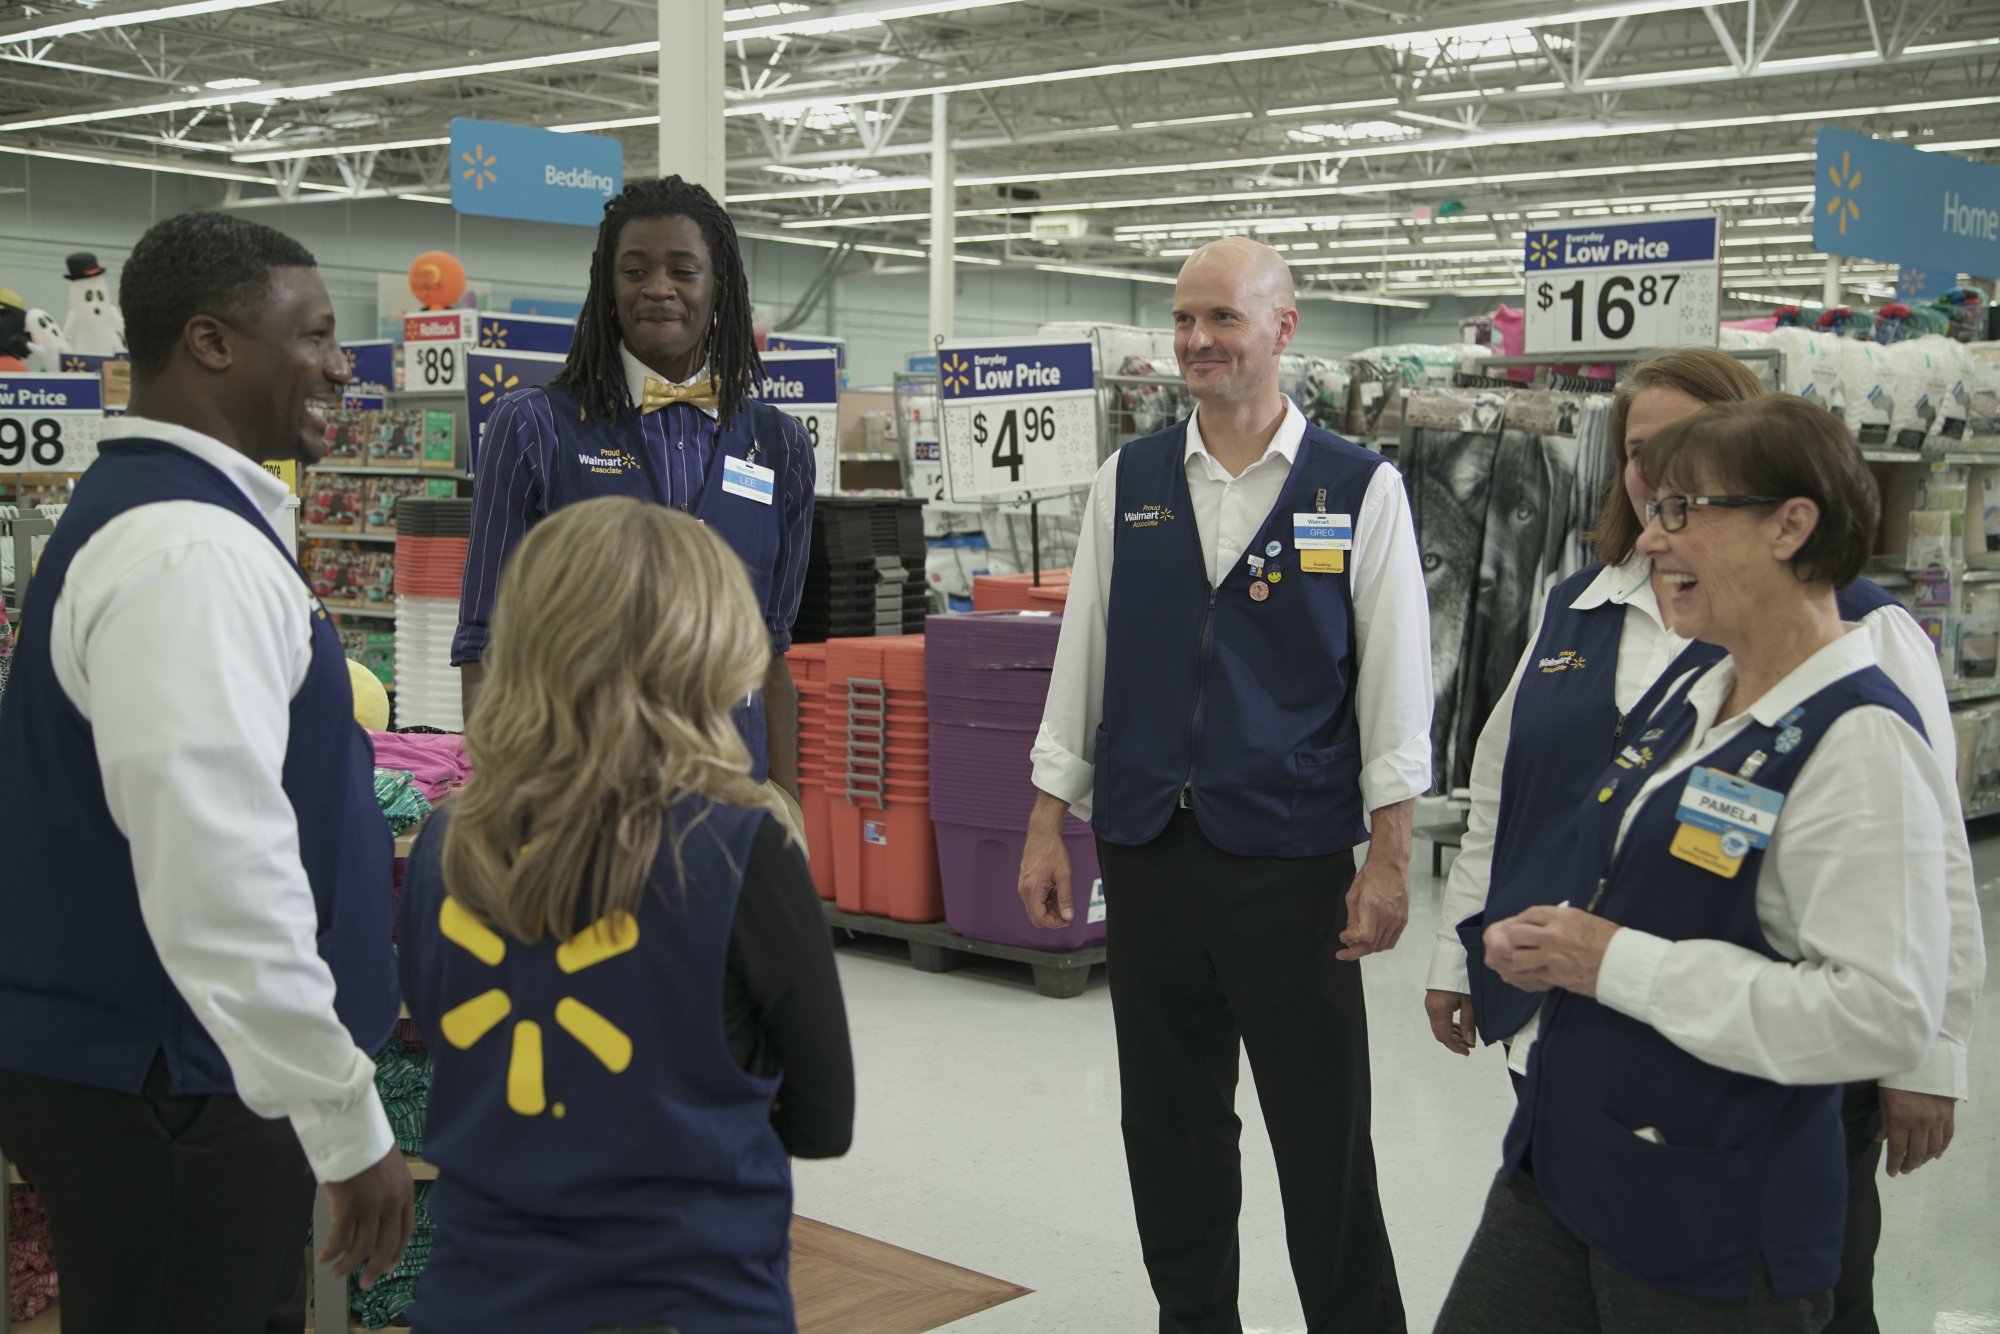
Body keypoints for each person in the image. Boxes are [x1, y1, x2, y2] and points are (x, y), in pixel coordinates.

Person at [1422, 348, 1983, 1333]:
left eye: (1684, 509)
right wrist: (1542, 935)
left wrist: (1614, 962)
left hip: (1712, 1206)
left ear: (1787, 524)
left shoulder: (1857, 736)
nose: (1652, 531)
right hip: (1568, 1152)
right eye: (1650, 499)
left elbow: (1879, 1009)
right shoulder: (1697, 690)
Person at [0, 212, 411, 1333]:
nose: (342, 365)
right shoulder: (191, 554)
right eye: (317, 335)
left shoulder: (174, 524)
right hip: (176, 1081)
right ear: (212, 343)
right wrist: (347, 1123)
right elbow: (217, 868)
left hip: (173, 1072)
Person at [1018, 236, 1431, 1334]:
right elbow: (1083, 660)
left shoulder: (1358, 487)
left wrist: (1388, 856)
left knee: (1320, 1134)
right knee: (1167, 1129)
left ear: (1282, 329)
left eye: (1223, 320)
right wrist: (1046, 819)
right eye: (1184, 319)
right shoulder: (1131, 481)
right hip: (1149, 850)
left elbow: (1394, 684)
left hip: (1289, 862)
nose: (1197, 341)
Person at [403, 497, 853, 1334]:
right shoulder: (737, 851)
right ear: (704, 647)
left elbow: (449, 1043)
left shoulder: (440, 848)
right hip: (686, 1298)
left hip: (478, 1295)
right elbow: (824, 1119)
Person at [454, 175, 814, 802]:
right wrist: (500, 805)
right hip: (577, 802)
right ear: (607, 285)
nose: (657, 288)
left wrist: (787, 812)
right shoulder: (535, 427)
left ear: (717, 283)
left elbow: (772, 654)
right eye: (635, 270)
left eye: (683, 270)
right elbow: (486, 642)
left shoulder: (780, 444)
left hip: (732, 801)